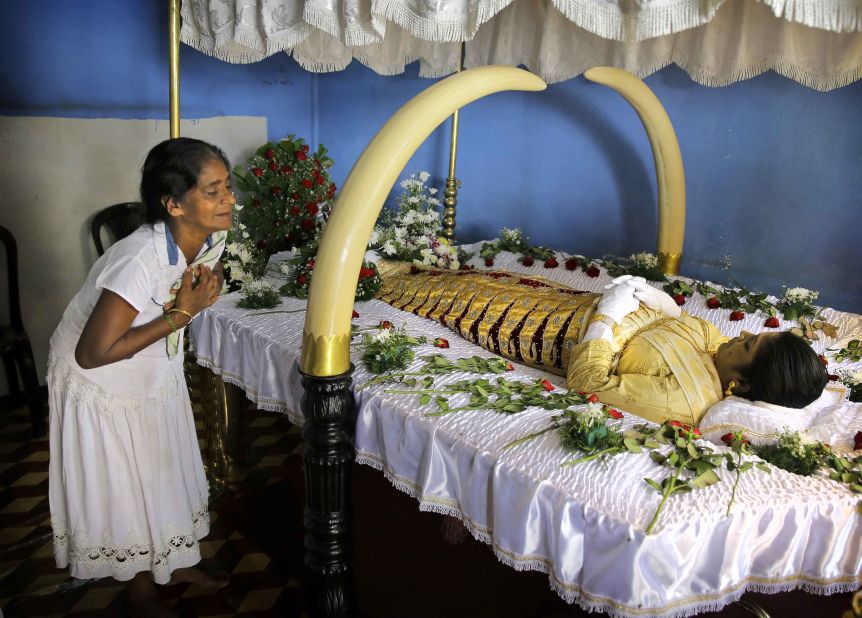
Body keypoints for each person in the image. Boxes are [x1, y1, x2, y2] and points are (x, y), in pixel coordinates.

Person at [48, 137, 235, 617]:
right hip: (101, 380)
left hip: (151, 364)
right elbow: (93, 353)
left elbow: (185, 293)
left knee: (161, 469)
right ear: (173, 204)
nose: (229, 200)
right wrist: (182, 313)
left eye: (227, 187)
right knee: (129, 483)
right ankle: (142, 592)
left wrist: (196, 298)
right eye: (213, 191)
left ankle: (170, 563)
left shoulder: (210, 237)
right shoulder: (138, 259)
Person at [375, 266, 827, 426]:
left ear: (742, 387)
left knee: (460, 299)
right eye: (753, 332)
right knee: (485, 278)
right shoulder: (718, 349)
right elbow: (691, 323)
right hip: (581, 304)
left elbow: (590, 385)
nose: (741, 335)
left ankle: (375, 281)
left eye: (748, 345)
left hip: (551, 332)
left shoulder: (683, 400)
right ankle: (399, 267)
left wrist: (610, 319)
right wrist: (654, 300)